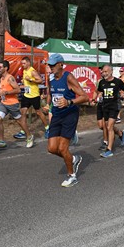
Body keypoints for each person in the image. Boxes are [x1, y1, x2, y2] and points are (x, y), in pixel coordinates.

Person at [45, 53, 88, 187]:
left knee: (63, 148)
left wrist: (69, 102)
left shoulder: (68, 77)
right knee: (52, 148)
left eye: (53, 65)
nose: (50, 67)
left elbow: (84, 97)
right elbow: (50, 93)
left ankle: (72, 175)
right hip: (57, 114)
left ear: (61, 65)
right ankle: (73, 158)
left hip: (69, 114)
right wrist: (48, 104)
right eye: (49, 64)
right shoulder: (50, 78)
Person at [0, 60, 34, 149]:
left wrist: (6, 92)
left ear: (5, 68)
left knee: (20, 121)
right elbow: (3, 91)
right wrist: (2, 95)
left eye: (0, 67)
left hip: (12, 104)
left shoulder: (10, 78)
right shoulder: (1, 78)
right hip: (4, 103)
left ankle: (29, 136)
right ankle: (1, 141)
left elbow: (18, 90)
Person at [96, 65, 124, 158]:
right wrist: (97, 97)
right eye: (103, 72)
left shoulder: (117, 81)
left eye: (106, 72)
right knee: (107, 126)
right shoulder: (102, 82)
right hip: (105, 106)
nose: (104, 73)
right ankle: (121, 133)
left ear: (111, 71)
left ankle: (109, 149)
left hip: (114, 106)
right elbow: (99, 91)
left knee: (109, 127)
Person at [14, 57, 49, 140]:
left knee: (38, 112)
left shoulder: (32, 71)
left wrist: (30, 80)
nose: (23, 65)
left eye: (24, 63)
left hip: (34, 95)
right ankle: (23, 131)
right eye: (22, 63)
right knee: (23, 113)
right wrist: (24, 81)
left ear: (29, 63)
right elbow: (26, 82)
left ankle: (47, 128)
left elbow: (40, 80)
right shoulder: (24, 71)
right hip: (26, 95)